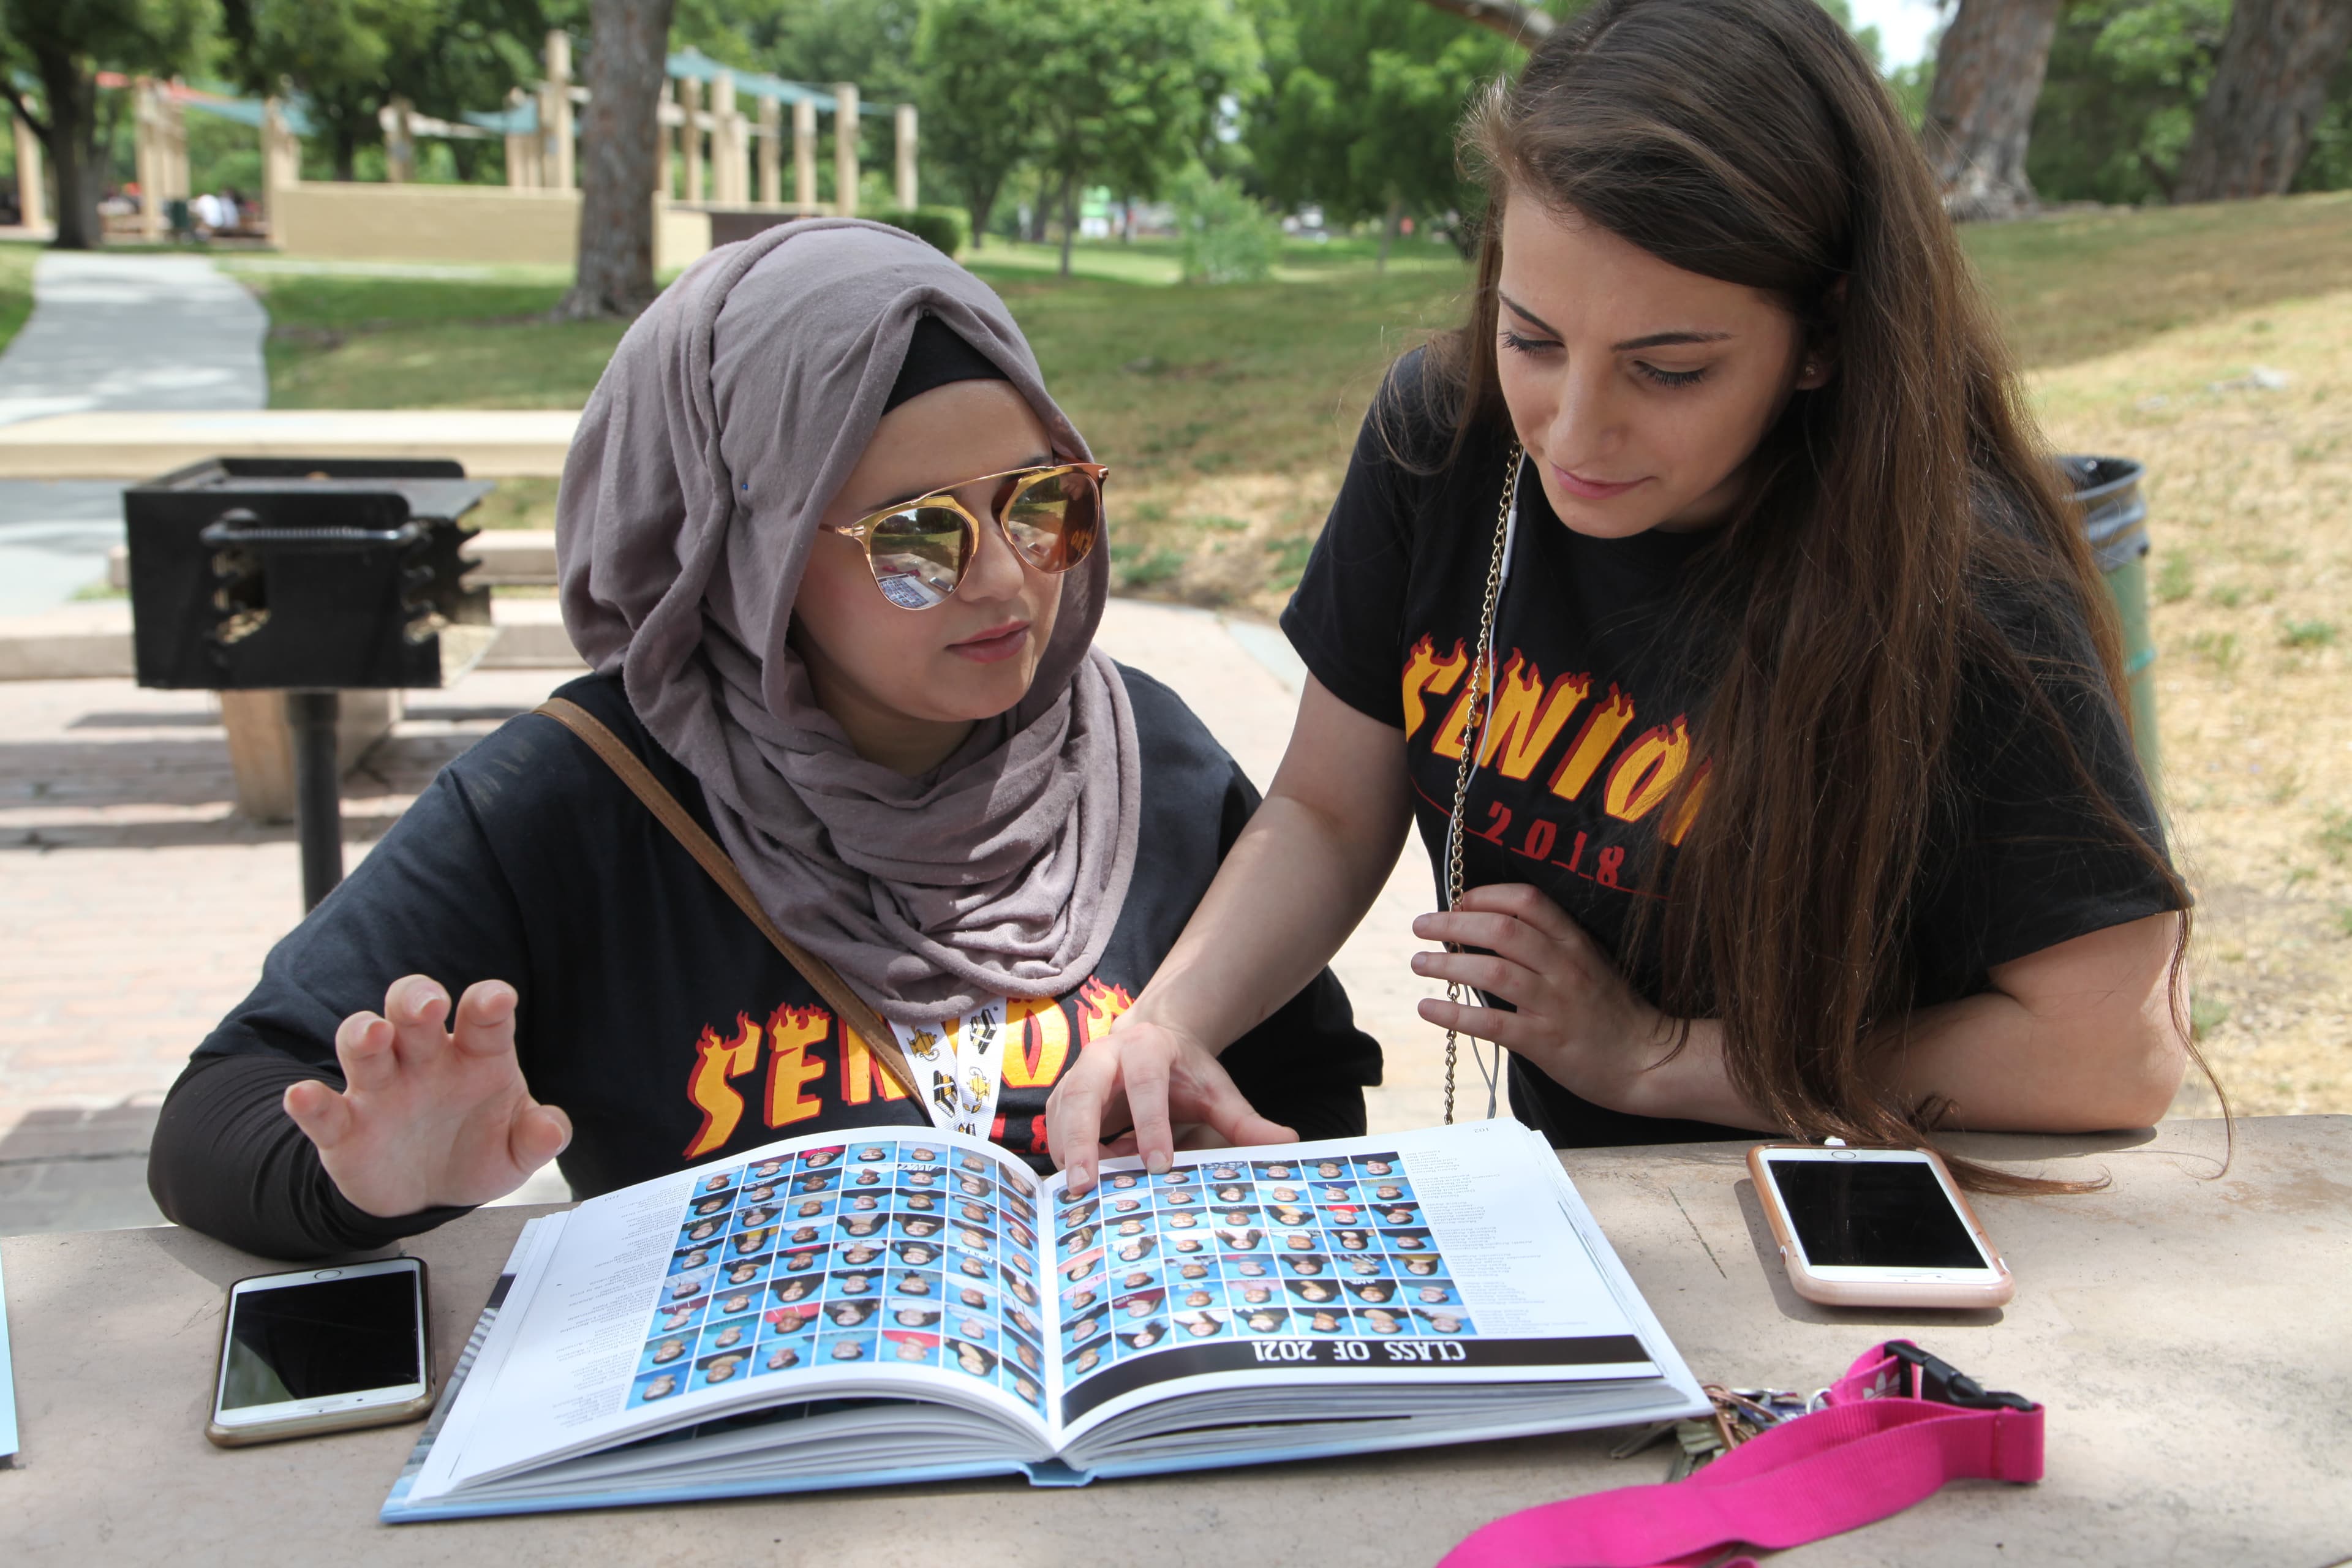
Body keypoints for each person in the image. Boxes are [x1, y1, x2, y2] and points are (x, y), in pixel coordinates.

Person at [1047, 0, 2194, 1191]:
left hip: (1867, 1217)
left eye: (1670, 368)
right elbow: (1330, 811)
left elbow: (2113, 1046)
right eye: (1532, 338)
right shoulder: (1446, 441)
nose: (1575, 434)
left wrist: (1662, 1057)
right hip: (1591, 1225)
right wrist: (1170, 1020)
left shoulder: (1962, 585)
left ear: (1824, 336)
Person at [145, 221, 1380, 1261]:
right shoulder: (579, 798)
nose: (1007, 576)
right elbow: (219, 1113)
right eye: (919, 538)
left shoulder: (1136, 752)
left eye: (1041, 501)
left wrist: (1230, 1157)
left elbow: (1306, 1078)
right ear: (751, 557)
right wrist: (369, 1179)